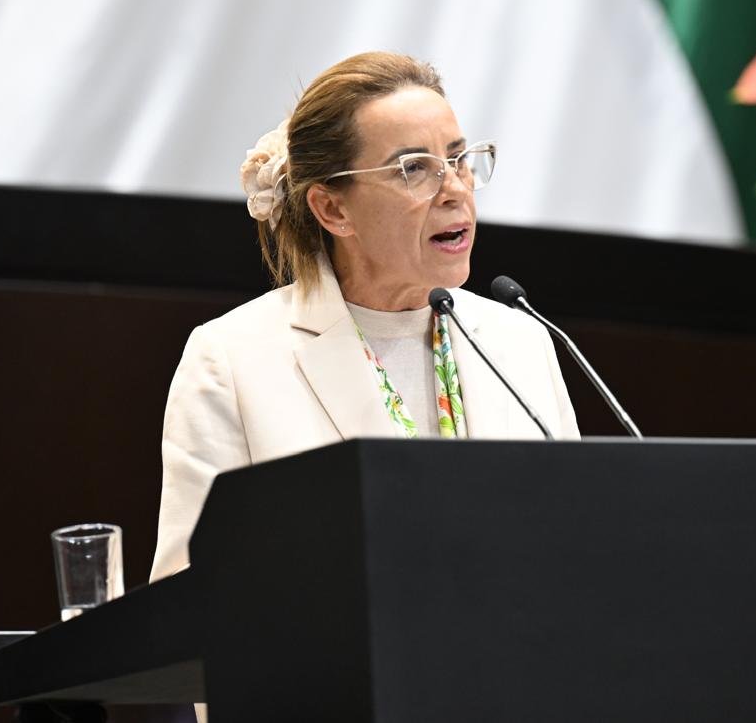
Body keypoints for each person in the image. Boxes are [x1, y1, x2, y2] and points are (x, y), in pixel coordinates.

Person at [151, 52, 579, 581]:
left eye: (459, 159)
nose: (455, 190)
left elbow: (575, 546)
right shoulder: (233, 362)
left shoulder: (520, 341)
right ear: (333, 209)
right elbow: (188, 593)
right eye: (414, 168)